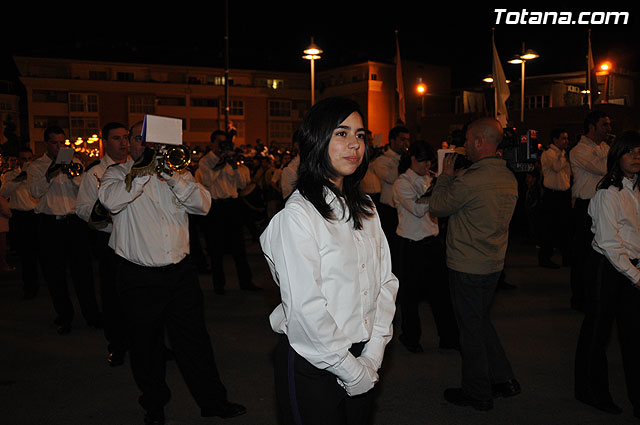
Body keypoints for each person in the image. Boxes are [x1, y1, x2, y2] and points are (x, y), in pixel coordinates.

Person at [260, 97, 398, 425]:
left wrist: (373, 353)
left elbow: (385, 283)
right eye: (341, 133)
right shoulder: (297, 216)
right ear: (316, 140)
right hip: (314, 362)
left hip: (363, 355)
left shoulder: (365, 206)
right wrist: (350, 371)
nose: (354, 144)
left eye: (361, 135)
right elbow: (307, 311)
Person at [98, 122, 245, 425]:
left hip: (180, 274)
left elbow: (203, 206)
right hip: (138, 277)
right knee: (145, 346)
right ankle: (154, 405)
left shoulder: (178, 174)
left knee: (195, 342)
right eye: (140, 140)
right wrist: (144, 171)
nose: (145, 145)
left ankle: (213, 401)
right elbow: (111, 201)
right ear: (131, 144)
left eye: (151, 141)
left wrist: (171, 177)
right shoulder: (116, 174)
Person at [430, 117, 520, 411]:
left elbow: (437, 206)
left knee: (470, 332)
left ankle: (477, 392)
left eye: (468, 139)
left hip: (467, 265)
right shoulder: (507, 177)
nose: (465, 145)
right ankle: (504, 379)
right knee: (480, 322)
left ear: (481, 141)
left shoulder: (472, 179)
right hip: (493, 263)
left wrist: (445, 175)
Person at [574, 130, 640, 418]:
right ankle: (590, 392)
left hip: (632, 265)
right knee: (598, 331)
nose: (637, 157)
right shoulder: (607, 192)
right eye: (630, 152)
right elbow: (610, 243)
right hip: (607, 266)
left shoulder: (637, 188)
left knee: (634, 336)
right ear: (617, 157)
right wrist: (635, 276)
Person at [27, 125, 101, 334]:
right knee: (55, 274)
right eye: (54, 143)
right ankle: (64, 315)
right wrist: (50, 173)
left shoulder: (75, 163)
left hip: (74, 223)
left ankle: (92, 315)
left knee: (83, 273)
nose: (59, 147)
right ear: (46, 144)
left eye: (62, 143)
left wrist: (72, 175)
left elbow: (85, 191)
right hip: (49, 224)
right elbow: (34, 192)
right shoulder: (36, 166)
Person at [393, 140, 459, 353]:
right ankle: (411, 338)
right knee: (410, 296)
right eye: (422, 161)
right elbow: (417, 208)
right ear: (412, 159)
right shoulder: (402, 183)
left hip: (432, 243)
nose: (426, 165)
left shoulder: (429, 178)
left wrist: (442, 185)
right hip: (411, 245)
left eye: (429, 161)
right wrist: (438, 188)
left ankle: (448, 337)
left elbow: (443, 206)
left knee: (441, 294)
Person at [76, 122, 130, 366]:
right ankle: (117, 345)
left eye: (126, 137)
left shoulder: (136, 168)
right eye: (117, 138)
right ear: (105, 143)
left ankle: (152, 346)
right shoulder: (94, 172)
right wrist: (104, 213)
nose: (123, 143)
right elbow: (82, 209)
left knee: (142, 296)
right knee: (112, 297)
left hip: (136, 240)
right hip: (109, 239)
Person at [196, 130, 259, 295]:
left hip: (232, 205)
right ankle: (219, 285)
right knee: (215, 249)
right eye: (220, 143)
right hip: (216, 207)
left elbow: (241, 184)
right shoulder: (205, 161)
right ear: (212, 144)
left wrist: (235, 167)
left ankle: (246, 281)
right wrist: (221, 162)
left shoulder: (231, 160)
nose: (223, 146)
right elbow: (208, 180)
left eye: (226, 143)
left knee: (239, 247)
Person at [569, 110, 612, 311]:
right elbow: (605, 168)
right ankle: (579, 298)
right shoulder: (578, 150)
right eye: (604, 124)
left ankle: (596, 295)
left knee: (601, 253)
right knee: (583, 254)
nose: (608, 129)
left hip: (603, 204)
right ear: (592, 127)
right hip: (585, 206)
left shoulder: (605, 147)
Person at [372, 125, 410, 276]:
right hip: (389, 209)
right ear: (392, 140)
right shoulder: (382, 160)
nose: (405, 143)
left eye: (407, 140)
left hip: (404, 208)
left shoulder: (406, 157)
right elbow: (390, 178)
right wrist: (402, 165)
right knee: (391, 248)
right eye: (402, 140)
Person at [1, 147, 39, 292]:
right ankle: (29, 285)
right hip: (20, 216)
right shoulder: (10, 175)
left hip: (35, 213)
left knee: (38, 250)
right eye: (24, 159)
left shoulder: (35, 174)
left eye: (30, 158)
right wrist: (20, 178)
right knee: (25, 252)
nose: (27, 162)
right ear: (18, 160)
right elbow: (3, 192)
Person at [539, 128, 572, 268]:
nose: (566, 141)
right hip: (551, 194)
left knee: (565, 227)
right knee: (549, 227)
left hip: (564, 194)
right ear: (555, 140)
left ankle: (567, 257)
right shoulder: (549, 154)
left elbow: (568, 174)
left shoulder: (564, 154)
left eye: (567, 138)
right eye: (563, 138)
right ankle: (545, 258)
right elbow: (557, 167)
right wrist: (563, 157)